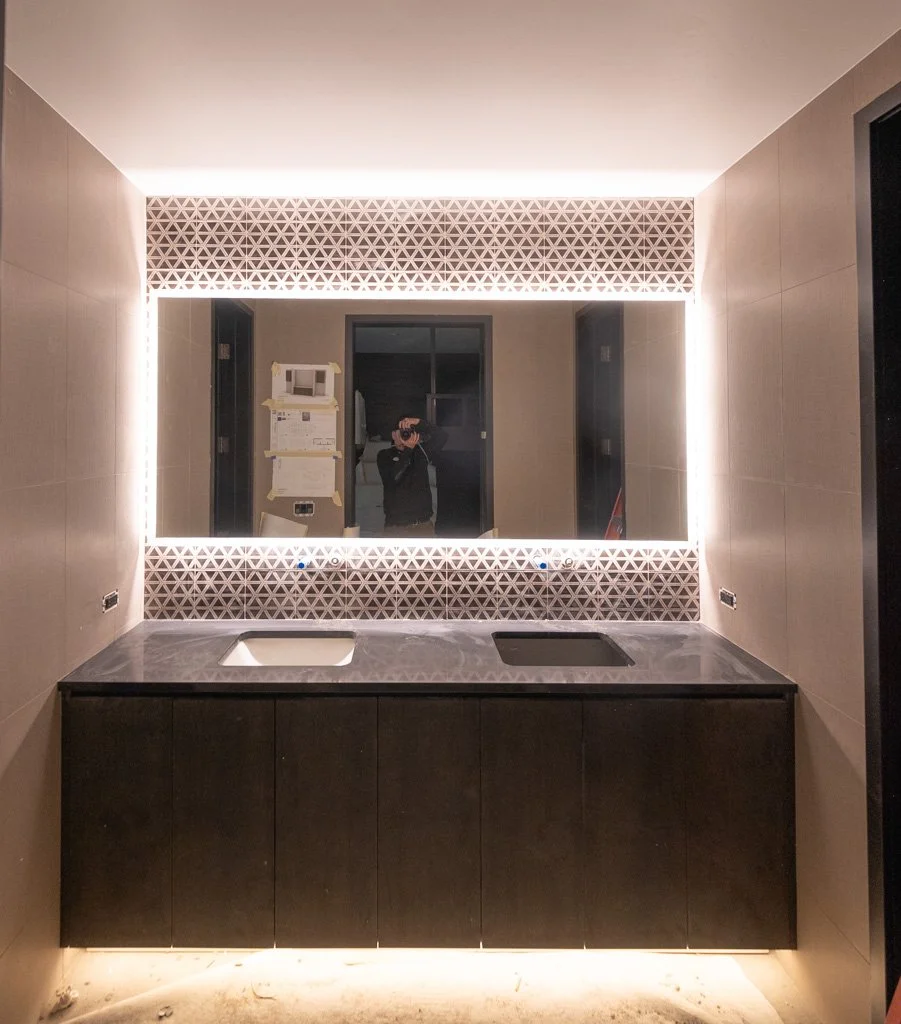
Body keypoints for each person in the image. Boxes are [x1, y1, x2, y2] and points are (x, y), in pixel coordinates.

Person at [376, 415, 446, 537]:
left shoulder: (421, 452)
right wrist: (408, 449)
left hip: (422, 525)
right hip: (396, 526)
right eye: (402, 431)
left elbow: (442, 436)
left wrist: (419, 422)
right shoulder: (384, 455)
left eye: (408, 431)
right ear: (393, 434)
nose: (405, 434)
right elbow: (394, 477)